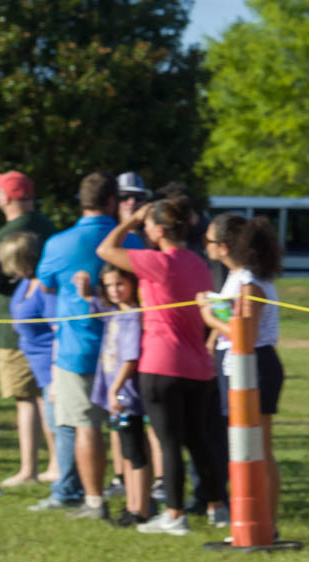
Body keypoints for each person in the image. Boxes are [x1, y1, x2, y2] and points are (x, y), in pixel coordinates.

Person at [97, 196, 225, 535]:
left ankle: (175, 513)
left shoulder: (157, 261)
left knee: (169, 443)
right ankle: (217, 507)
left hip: (161, 364)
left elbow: (106, 250)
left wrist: (129, 221)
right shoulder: (198, 264)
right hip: (197, 365)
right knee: (199, 441)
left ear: (157, 228)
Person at [32, 173, 140, 519]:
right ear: (113, 201)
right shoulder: (134, 243)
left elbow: (45, 287)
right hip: (126, 348)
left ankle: (94, 501)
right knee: (129, 424)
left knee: (85, 425)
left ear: (82, 202)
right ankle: (137, 498)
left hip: (76, 347)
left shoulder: (58, 243)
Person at [197, 213, 285, 537]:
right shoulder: (236, 277)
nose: (204, 246)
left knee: (257, 448)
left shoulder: (248, 281)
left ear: (223, 246)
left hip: (256, 366)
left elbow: (243, 332)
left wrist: (207, 314)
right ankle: (248, 519)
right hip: (236, 367)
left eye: (207, 241)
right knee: (242, 447)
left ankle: (265, 523)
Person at [0, 170, 57, 475]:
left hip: (15, 327)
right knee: (47, 397)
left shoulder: (7, 235)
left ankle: (29, 467)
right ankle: (56, 461)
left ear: (7, 198)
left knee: (26, 400)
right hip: (45, 328)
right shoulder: (48, 227)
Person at [74, 265, 151, 526]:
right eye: (109, 286)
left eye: (120, 284)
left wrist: (114, 389)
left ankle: (140, 510)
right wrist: (85, 291)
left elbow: (130, 358)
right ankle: (132, 505)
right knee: (127, 453)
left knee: (135, 453)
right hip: (117, 395)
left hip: (127, 395)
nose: (114, 291)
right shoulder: (116, 313)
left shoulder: (132, 317)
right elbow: (96, 306)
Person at [1, 232, 58, 485]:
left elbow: (57, 328)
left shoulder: (45, 287)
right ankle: (32, 470)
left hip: (48, 360)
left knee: (52, 417)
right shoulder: (25, 283)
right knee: (43, 413)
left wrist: (56, 372)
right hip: (31, 357)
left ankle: (57, 466)